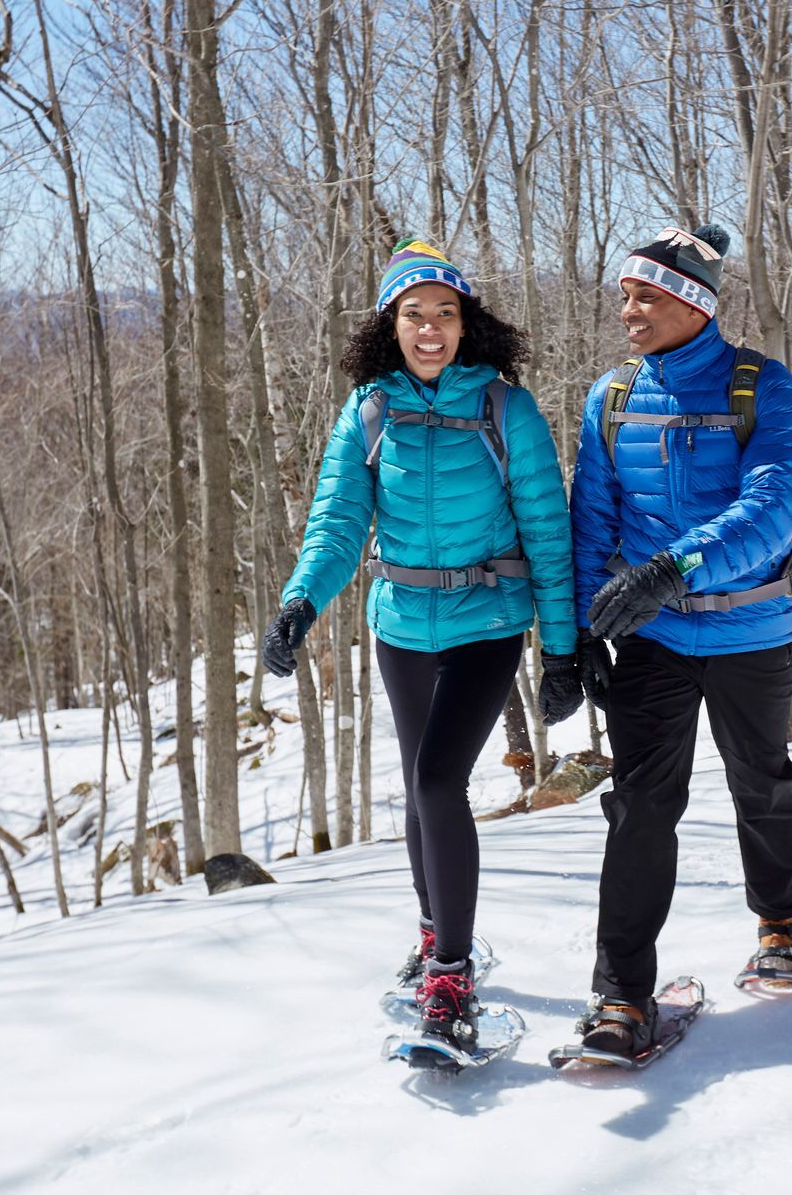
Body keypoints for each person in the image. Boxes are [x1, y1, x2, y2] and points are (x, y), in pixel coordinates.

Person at [262, 238, 584, 1053]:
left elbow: (548, 531)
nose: (431, 328)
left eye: (445, 313)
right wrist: (301, 602)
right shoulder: (370, 409)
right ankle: (436, 931)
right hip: (401, 623)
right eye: (415, 315)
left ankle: (452, 972)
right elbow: (338, 520)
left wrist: (562, 648)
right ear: (390, 325)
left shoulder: (506, 410)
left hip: (487, 622)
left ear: (467, 322)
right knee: (416, 789)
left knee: (440, 780)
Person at [569, 222, 792, 1056]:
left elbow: (773, 507)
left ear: (692, 304)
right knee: (640, 806)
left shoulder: (763, 387)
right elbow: (590, 524)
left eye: (644, 297)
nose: (628, 311)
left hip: (752, 624)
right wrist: (574, 639)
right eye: (625, 296)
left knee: (760, 779)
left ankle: (784, 921)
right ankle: (622, 999)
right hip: (653, 638)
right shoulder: (609, 397)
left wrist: (672, 568)